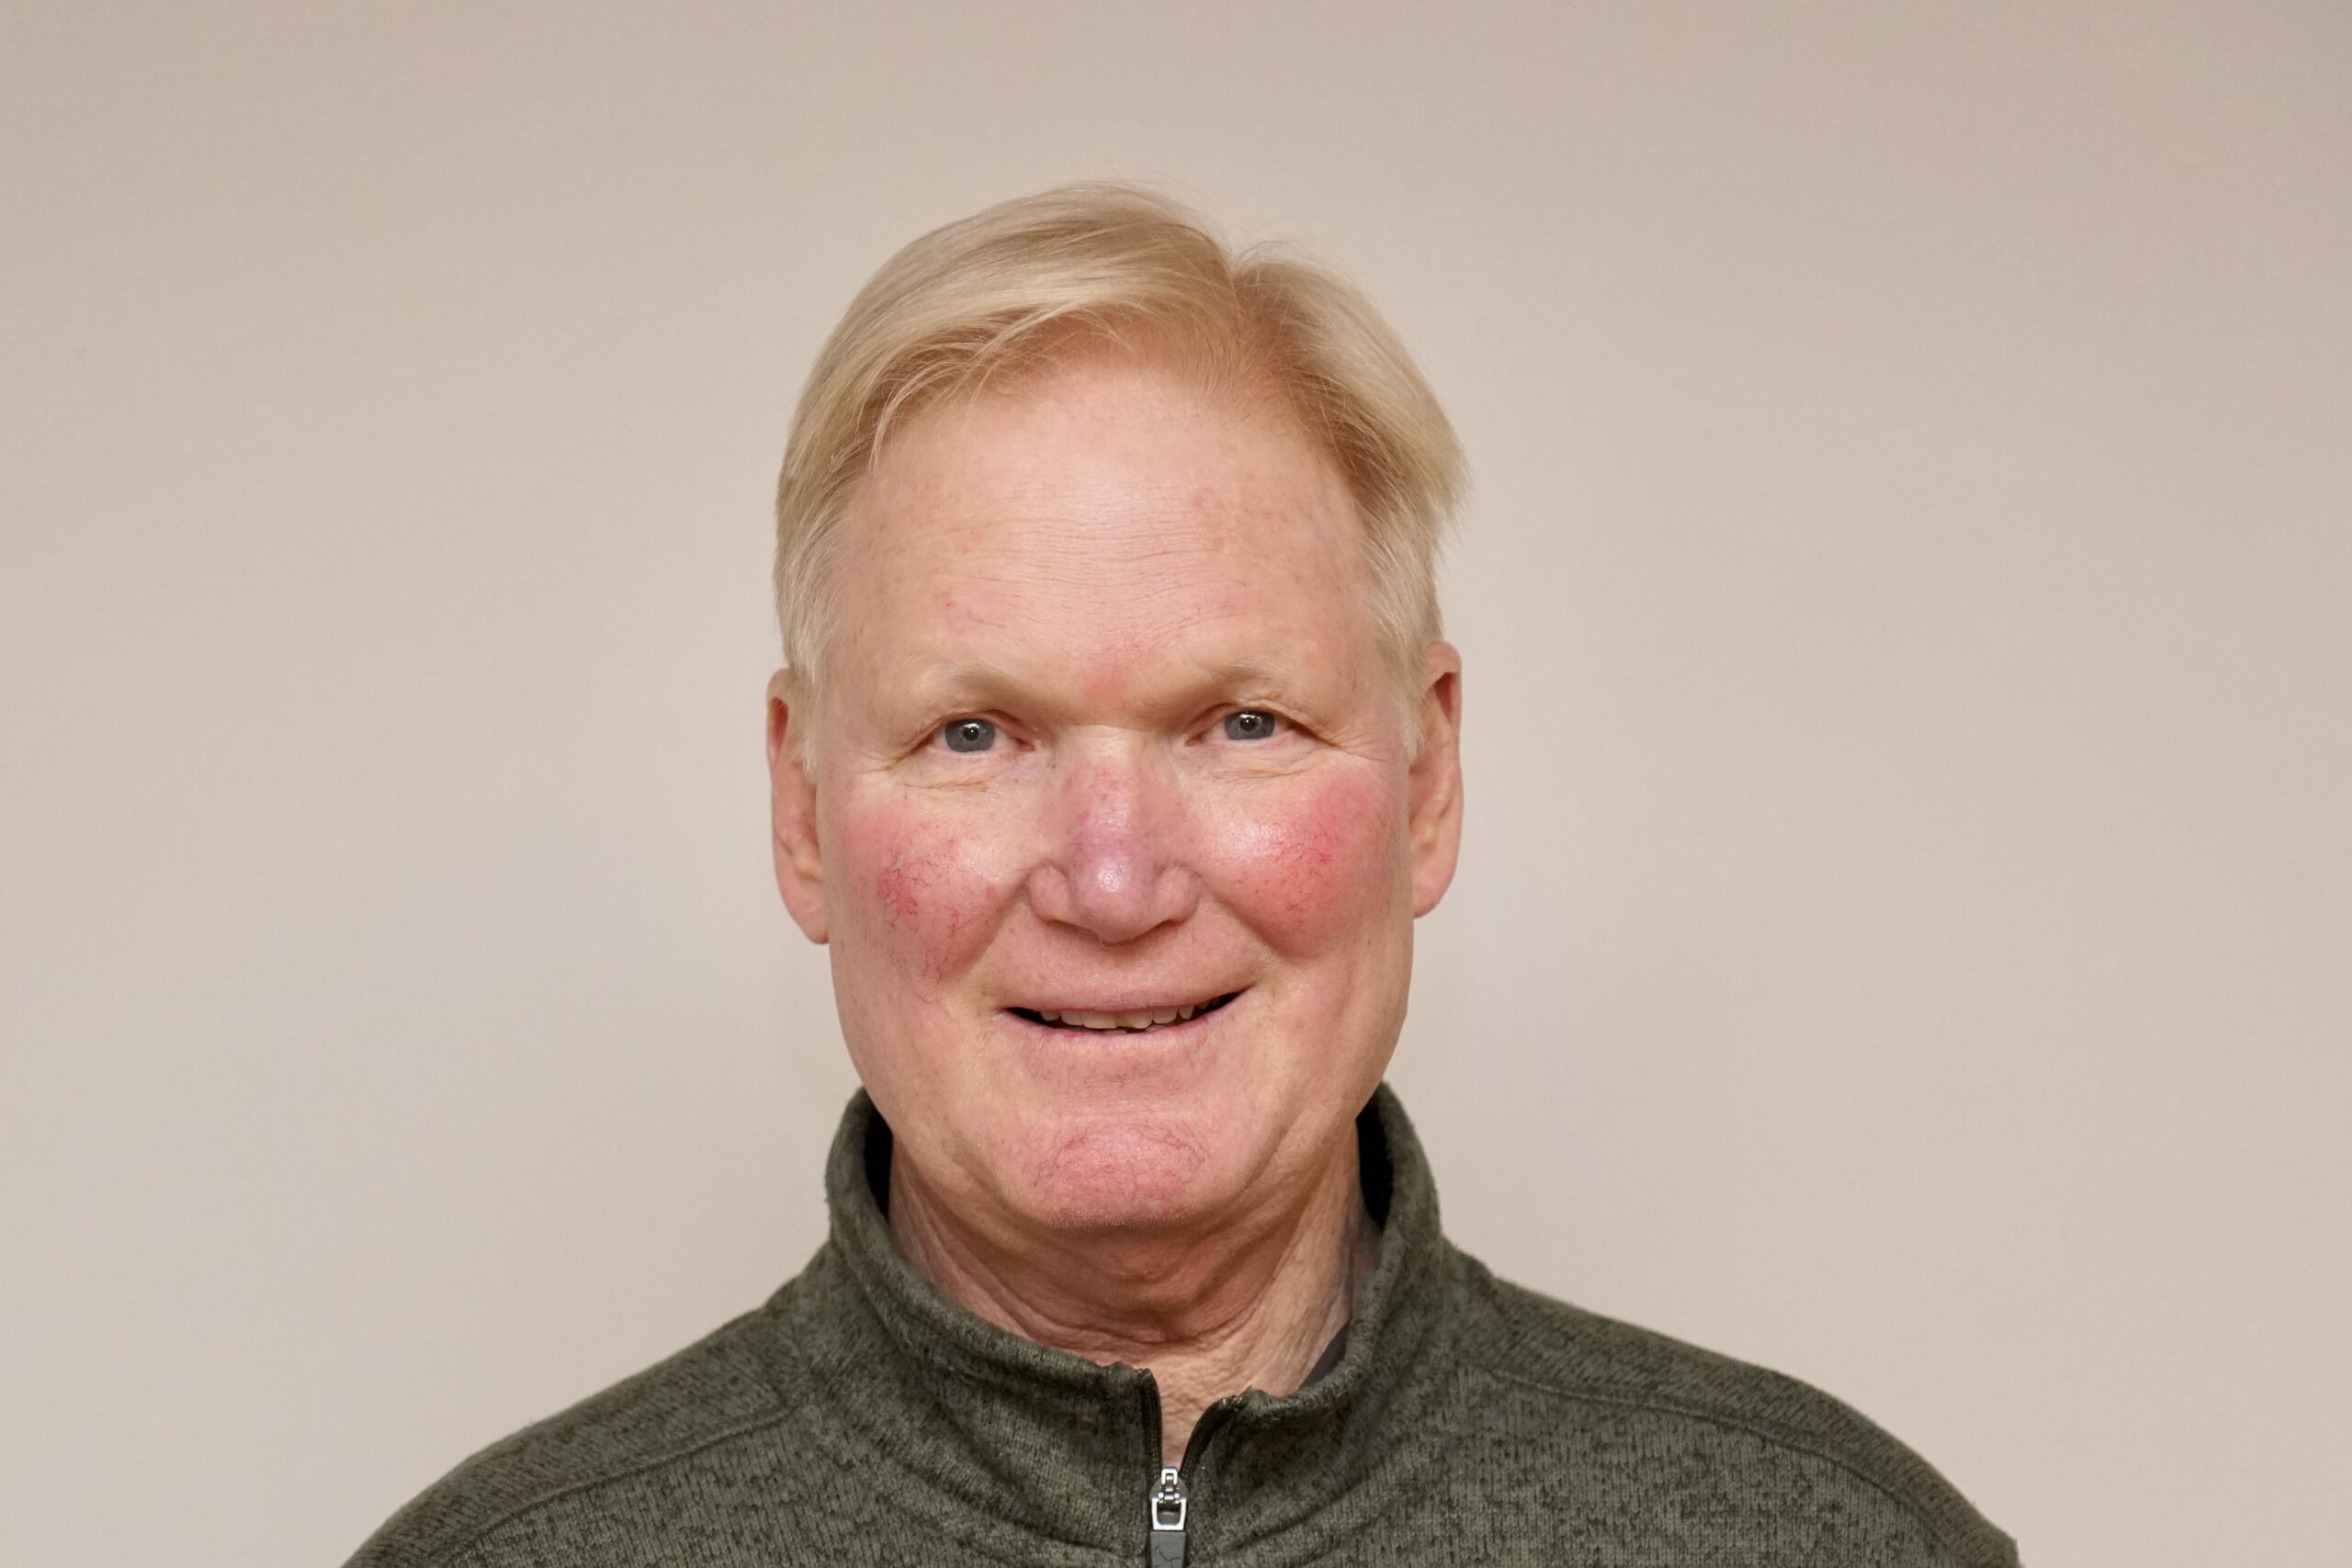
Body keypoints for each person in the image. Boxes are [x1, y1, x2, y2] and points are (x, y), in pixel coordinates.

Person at [346, 182, 2018, 1567]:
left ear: (1426, 781)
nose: (1113, 877)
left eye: (1241, 723)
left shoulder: (1840, 1545)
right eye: (975, 733)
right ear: (801, 812)